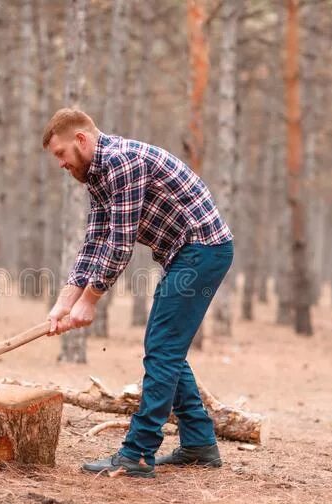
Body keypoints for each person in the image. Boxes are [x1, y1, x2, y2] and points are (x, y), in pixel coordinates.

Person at [43, 108, 234, 478]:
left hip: (203, 250)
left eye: (61, 154)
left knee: (162, 348)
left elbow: (119, 243)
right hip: (188, 253)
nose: (61, 164)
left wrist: (91, 300)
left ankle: (138, 453)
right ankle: (198, 443)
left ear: (81, 140)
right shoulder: (97, 175)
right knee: (166, 348)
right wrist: (63, 303)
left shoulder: (121, 162)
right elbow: (95, 240)